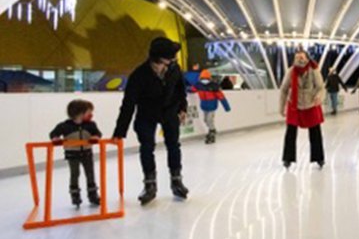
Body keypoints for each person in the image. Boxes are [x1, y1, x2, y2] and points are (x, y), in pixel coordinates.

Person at [113, 37, 189, 204]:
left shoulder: (174, 69)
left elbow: (180, 90)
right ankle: (149, 185)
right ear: (158, 58)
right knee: (147, 147)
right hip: (147, 114)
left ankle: (176, 181)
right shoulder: (139, 75)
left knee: (173, 145)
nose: (173, 59)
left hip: (169, 111)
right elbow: (128, 104)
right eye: (170, 56)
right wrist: (120, 131)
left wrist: (183, 108)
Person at [50, 99, 101, 207]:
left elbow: (98, 133)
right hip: (72, 155)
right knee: (75, 174)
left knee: (90, 174)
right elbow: (54, 133)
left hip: (87, 153)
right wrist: (55, 139)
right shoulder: (65, 126)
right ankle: (75, 195)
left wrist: (95, 137)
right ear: (79, 113)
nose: (91, 115)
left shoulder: (91, 125)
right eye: (89, 112)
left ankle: (93, 195)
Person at [279, 50, 325, 169]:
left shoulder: (314, 71)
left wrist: (319, 97)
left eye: (302, 57)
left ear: (307, 59)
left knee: (315, 132)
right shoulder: (291, 71)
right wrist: (281, 107)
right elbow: (284, 89)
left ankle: (319, 157)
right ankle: (287, 158)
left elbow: (321, 88)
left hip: (310, 104)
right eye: (297, 57)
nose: (300, 59)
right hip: (294, 104)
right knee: (290, 132)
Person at [190, 69, 231, 144]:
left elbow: (221, 97)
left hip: (212, 106)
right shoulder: (199, 85)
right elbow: (192, 89)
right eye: (203, 79)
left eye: (206, 79)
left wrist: (226, 107)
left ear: (209, 78)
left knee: (209, 120)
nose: (204, 80)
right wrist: (185, 90)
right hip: (204, 106)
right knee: (205, 120)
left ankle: (212, 131)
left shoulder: (214, 86)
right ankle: (211, 130)